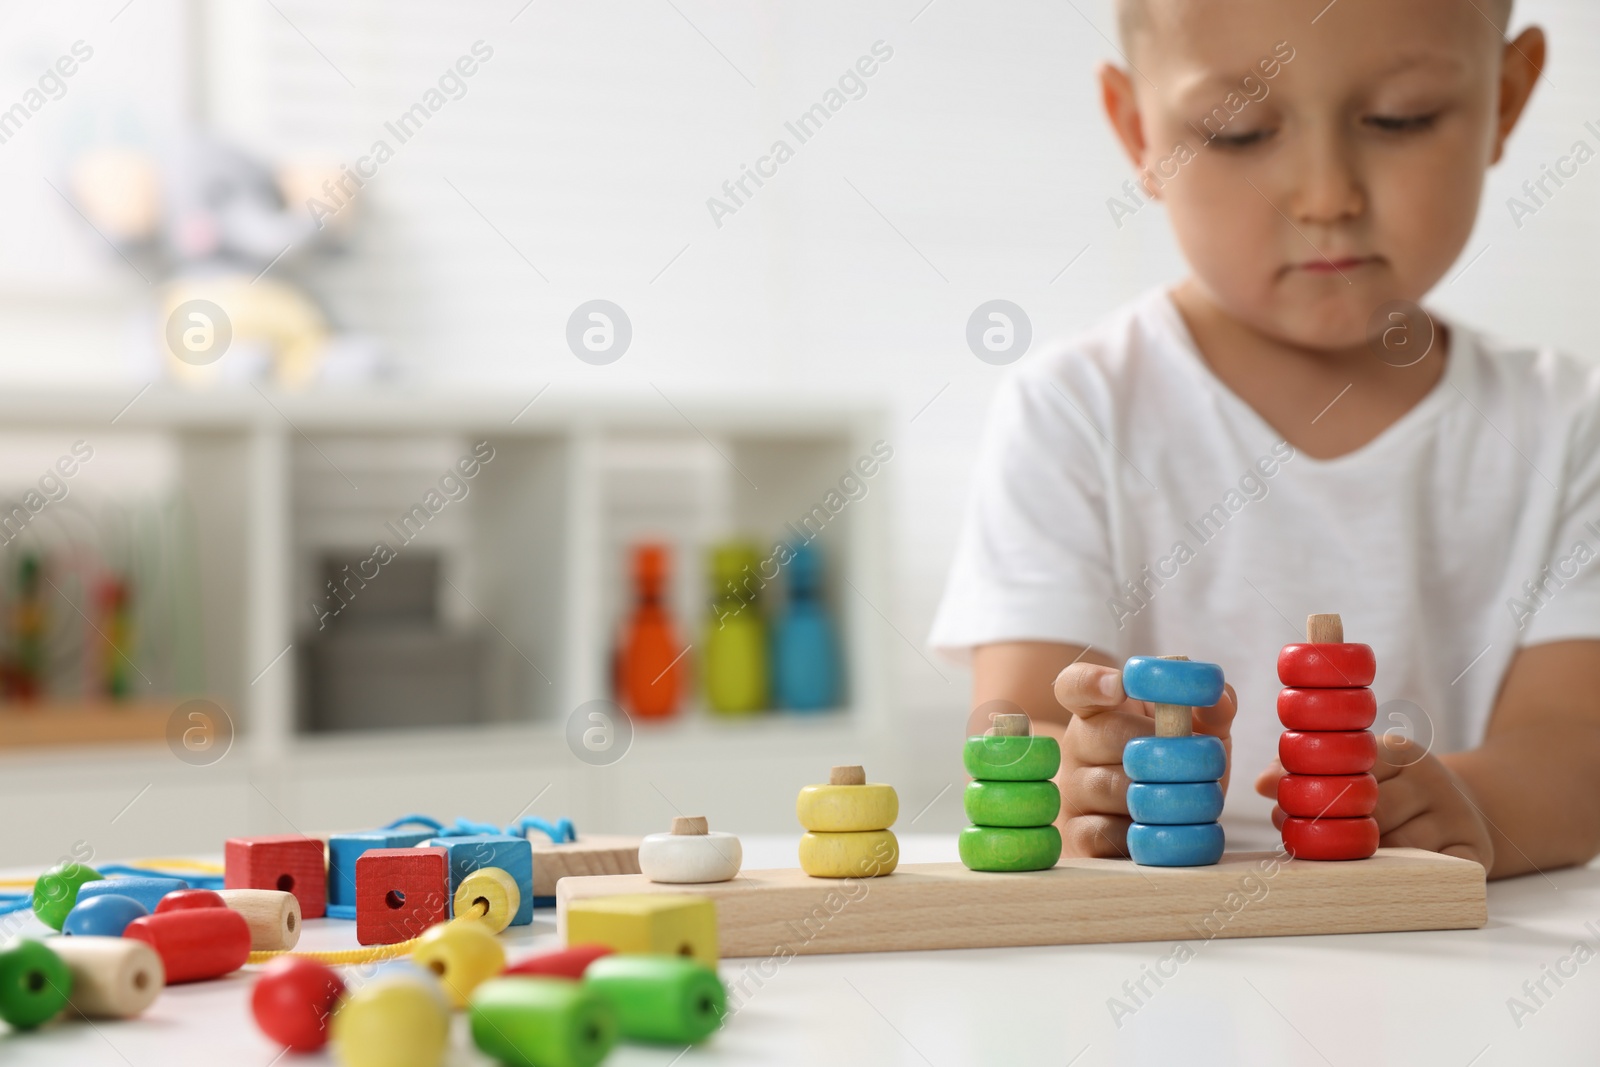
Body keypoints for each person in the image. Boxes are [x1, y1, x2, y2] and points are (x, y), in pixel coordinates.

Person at [930, 0, 1600, 878]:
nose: (1325, 197)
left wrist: (1468, 806)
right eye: (1238, 131)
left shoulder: (1564, 423)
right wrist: (1079, 774)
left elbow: (1574, 754)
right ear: (1139, 130)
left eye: (1401, 119)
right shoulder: (1077, 407)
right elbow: (1017, 719)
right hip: (1147, 950)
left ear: (1506, 101)